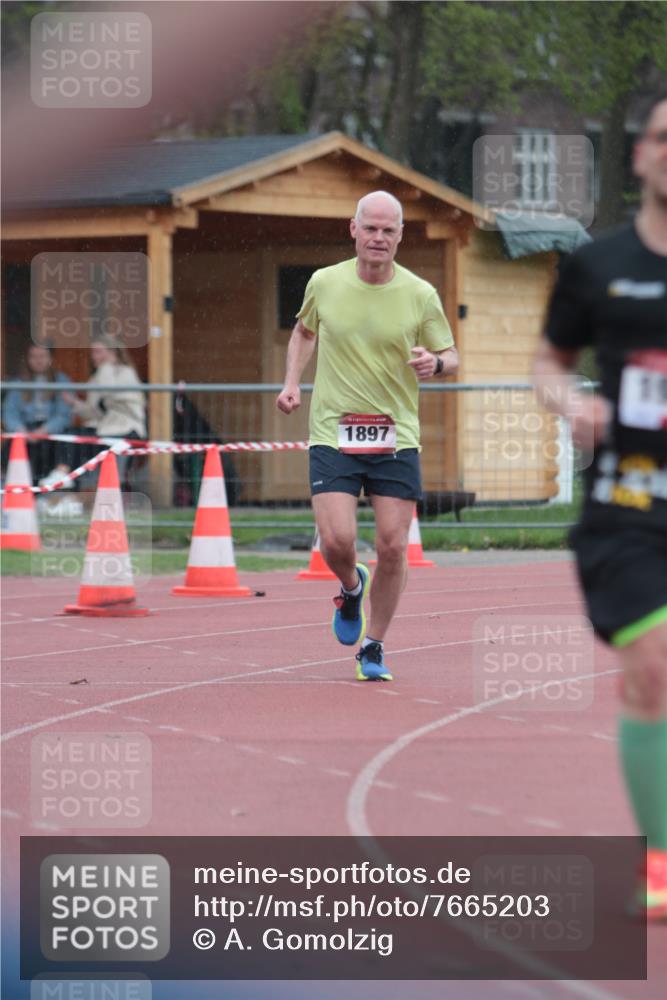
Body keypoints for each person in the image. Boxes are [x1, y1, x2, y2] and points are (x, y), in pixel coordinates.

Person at [533, 95, 667, 921]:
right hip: (627, 506)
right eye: (662, 137)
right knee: (651, 667)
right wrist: (568, 403)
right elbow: (548, 362)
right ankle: (658, 859)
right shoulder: (596, 266)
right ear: (640, 157)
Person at [277, 190, 458, 681]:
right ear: (353, 230)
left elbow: (452, 355)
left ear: (400, 236)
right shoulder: (324, 281)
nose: (379, 238)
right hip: (334, 429)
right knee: (337, 540)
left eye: (389, 230)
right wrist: (292, 382)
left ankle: (373, 646)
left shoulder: (420, 294)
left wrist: (435, 363)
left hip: (394, 435)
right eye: (371, 228)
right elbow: (304, 331)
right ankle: (351, 586)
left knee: (394, 545)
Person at [40, 335, 147, 491]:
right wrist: (73, 403)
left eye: (98, 352)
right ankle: (63, 474)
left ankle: (70, 480)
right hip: (106, 429)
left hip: (127, 429)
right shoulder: (96, 377)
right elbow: (95, 413)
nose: (93, 357)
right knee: (71, 435)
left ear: (112, 352)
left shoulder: (125, 372)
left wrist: (107, 366)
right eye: (93, 352)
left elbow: (112, 394)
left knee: (87, 445)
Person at [1, 342, 71, 481]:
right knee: (13, 447)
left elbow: (63, 414)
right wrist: (21, 430)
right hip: (25, 429)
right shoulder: (19, 383)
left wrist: (43, 430)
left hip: (50, 431)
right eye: (33, 356)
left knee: (55, 447)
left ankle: (47, 486)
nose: (38, 360)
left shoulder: (61, 380)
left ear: (50, 358)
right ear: (28, 359)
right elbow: (9, 412)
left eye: (42, 356)